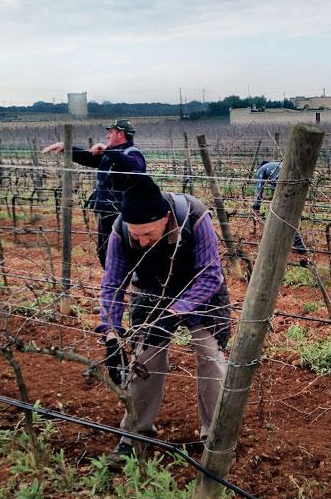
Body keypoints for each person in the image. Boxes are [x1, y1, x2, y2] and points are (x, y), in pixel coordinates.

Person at [97, 175, 232, 461]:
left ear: (167, 218)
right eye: (137, 237)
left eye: (149, 234)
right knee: (145, 359)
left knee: (211, 356)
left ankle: (216, 437)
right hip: (152, 291)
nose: (143, 242)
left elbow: (210, 275)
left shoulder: (195, 216)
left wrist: (175, 313)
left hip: (200, 291)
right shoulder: (121, 231)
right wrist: (111, 335)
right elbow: (112, 284)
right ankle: (136, 435)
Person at [42, 119, 146, 267]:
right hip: (107, 213)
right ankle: (113, 284)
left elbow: (134, 166)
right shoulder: (111, 154)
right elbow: (88, 157)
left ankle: (126, 284)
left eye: (111, 132)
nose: (107, 136)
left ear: (121, 135)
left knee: (125, 253)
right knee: (104, 251)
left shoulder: (133, 154)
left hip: (124, 216)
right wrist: (66, 148)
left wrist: (107, 150)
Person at [251, 160, 306, 253]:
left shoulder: (262, 169)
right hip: (298, 182)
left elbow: (259, 188)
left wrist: (256, 206)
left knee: (281, 216)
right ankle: (285, 241)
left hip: (286, 186)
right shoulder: (276, 165)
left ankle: (298, 245)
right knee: (290, 215)